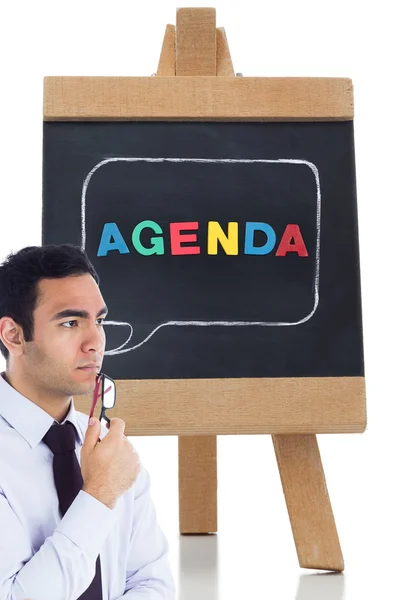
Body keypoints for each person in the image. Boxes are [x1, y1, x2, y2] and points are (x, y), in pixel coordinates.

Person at [0, 244, 176, 600]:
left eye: (99, 320)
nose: (96, 341)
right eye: (70, 322)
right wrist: (99, 494)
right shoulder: (109, 473)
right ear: (14, 335)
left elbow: (152, 585)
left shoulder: (112, 451)